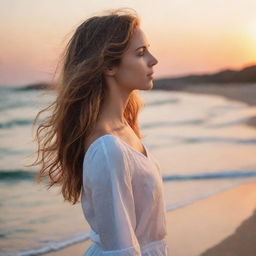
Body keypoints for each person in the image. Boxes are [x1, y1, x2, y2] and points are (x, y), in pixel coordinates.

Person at [31, 7, 169, 256]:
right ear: (108, 65)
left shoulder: (125, 129)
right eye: (140, 53)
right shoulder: (107, 149)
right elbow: (121, 251)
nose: (153, 59)